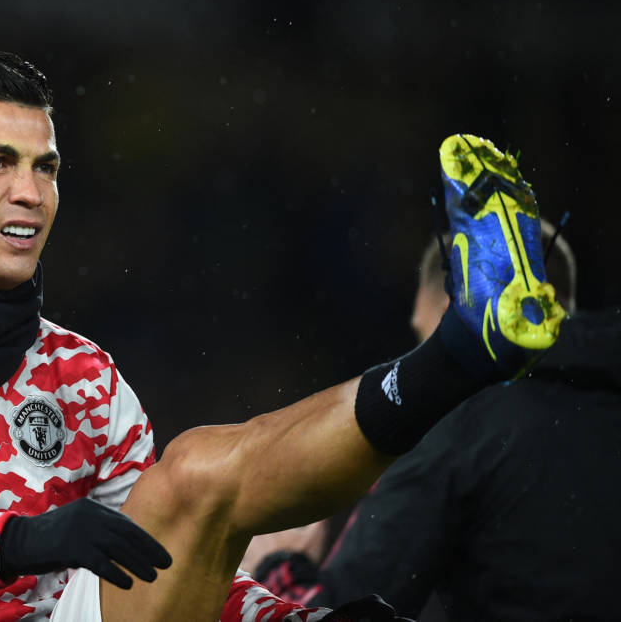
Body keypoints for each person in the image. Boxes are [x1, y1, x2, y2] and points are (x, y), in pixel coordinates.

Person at [0, 52, 565, 622]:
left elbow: (169, 572)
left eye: (45, 166)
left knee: (198, 473)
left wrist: (300, 619)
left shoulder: (81, 374)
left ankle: (465, 351)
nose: (30, 191)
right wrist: (19, 540)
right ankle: (455, 354)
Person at [254, 222, 621, 621]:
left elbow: (345, 613)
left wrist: (276, 569)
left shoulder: (460, 421)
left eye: (425, 342)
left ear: (456, 313)